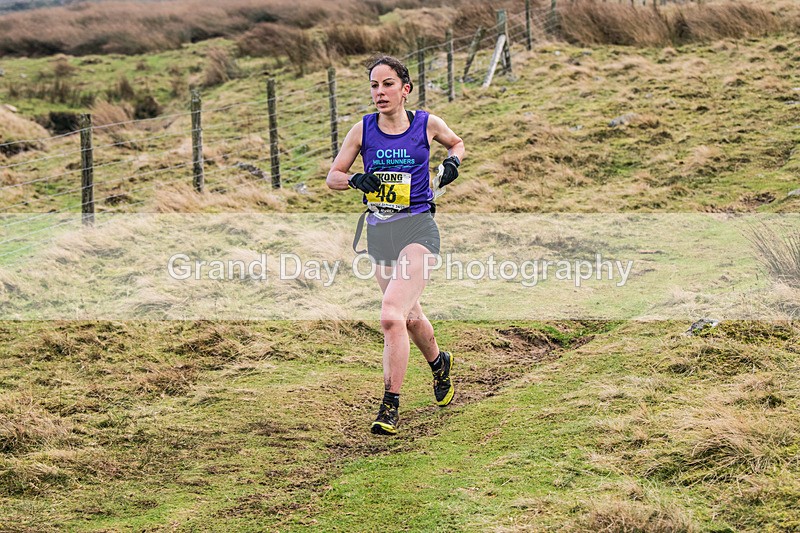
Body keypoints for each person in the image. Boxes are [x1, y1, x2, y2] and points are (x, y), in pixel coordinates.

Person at [326, 54, 466, 435]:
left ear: (405, 89)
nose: (380, 92)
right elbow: (333, 176)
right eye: (374, 85)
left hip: (418, 228)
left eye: (388, 84)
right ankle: (439, 363)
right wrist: (355, 181)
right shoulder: (362, 130)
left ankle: (390, 404)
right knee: (407, 316)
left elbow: (457, 144)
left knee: (390, 314)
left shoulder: (426, 123)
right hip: (380, 232)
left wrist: (452, 163)